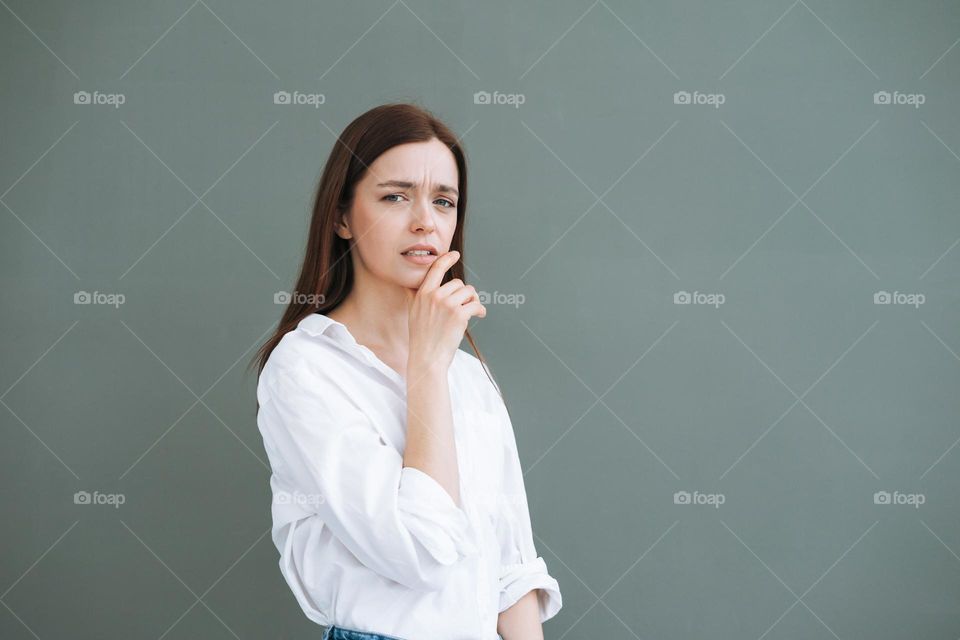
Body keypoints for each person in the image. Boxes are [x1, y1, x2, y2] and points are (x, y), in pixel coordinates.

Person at [250, 103, 562, 640]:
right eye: (395, 196)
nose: (425, 221)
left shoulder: (466, 376)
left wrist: (437, 362)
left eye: (444, 201)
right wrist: (426, 367)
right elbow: (421, 550)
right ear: (342, 216)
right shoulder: (305, 369)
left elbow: (512, 567)